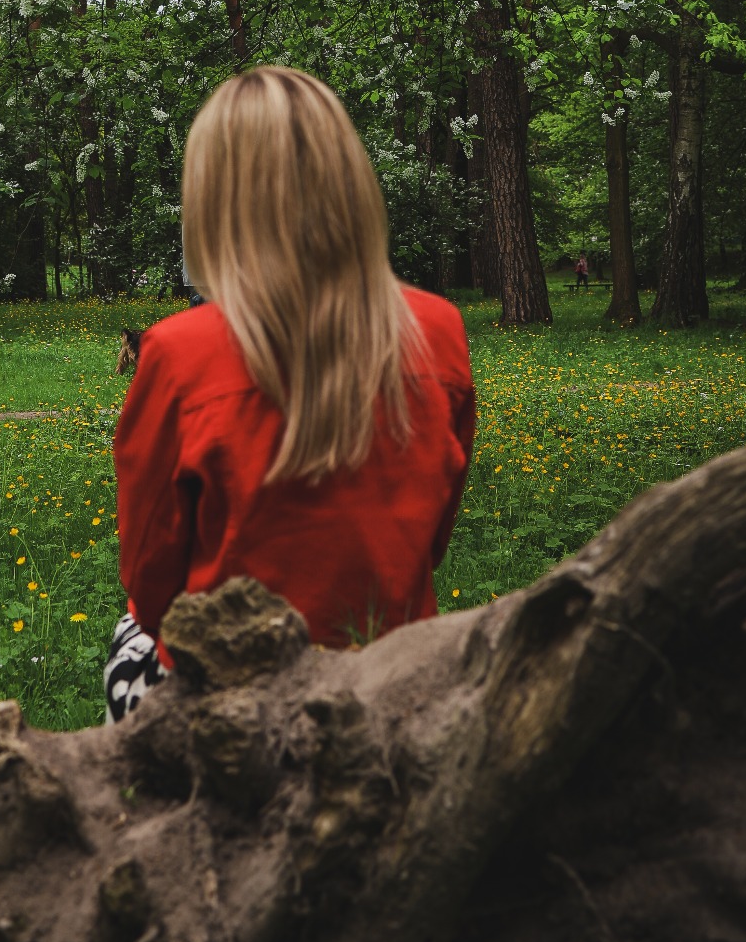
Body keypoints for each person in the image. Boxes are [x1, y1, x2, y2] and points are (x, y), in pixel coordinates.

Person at [104, 66, 476, 723]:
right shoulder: (439, 332)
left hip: (230, 700)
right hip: (388, 684)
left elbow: (149, 585)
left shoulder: (177, 352)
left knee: (128, 638)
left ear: (213, 199)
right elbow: (430, 542)